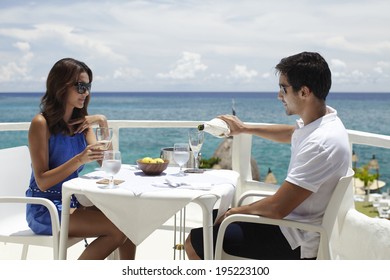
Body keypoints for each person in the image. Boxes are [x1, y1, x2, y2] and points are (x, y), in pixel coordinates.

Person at [185, 51, 351, 260]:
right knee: (209, 216)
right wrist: (245, 129)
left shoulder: (320, 143)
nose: (279, 95)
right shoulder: (323, 121)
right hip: (292, 224)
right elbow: (292, 133)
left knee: (194, 241)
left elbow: (276, 208)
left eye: (284, 88)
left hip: (293, 238)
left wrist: (235, 212)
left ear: (304, 92)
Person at [26, 58, 136, 260]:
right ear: (61, 86)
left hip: (72, 203)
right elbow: (42, 182)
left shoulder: (80, 125)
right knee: (117, 230)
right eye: (80, 86)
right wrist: (79, 159)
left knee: (130, 221)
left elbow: (106, 162)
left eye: (88, 87)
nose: (86, 93)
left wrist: (102, 121)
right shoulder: (41, 124)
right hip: (45, 209)